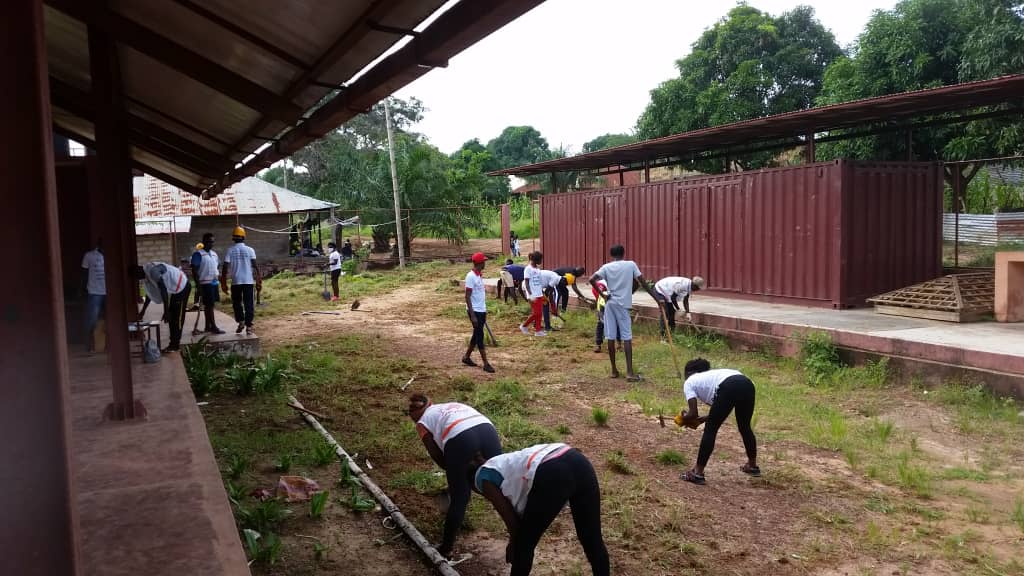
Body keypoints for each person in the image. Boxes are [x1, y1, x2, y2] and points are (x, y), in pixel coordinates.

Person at [472, 443, 609, 576]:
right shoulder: (501, 462)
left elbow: (512, 522)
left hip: (554, 470)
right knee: (592, 540)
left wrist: (514, 542)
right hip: (577, 460)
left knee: (524, 545)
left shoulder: (482, 478)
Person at [407, 394, 502, 558]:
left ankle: (446, 548)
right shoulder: (449, 405)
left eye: (412, 412)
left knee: (460, 497)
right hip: (487, 430)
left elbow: (437, 456)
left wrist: (456, 472)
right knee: (501, 483)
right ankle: (523, 521)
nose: (412, 416)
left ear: (419, 411)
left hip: (460, 437)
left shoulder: (422, 423)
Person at [677, 358, 760, 485]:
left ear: (689, 372)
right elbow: (720, 411)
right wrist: (703, 419)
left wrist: (682, 418)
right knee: (745, 427)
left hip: (729, 386)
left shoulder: (689, 381)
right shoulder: (713, 376)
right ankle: (752, 466)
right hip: (747, 384)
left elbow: (693, 413)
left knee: (711, 429)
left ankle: (697, 473)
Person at [589, 244, 658, 381]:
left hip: (609, 303)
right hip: (622, 305)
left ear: (611, 254)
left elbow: (592, 279)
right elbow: (642, 282)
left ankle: (614, 370)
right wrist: (657, 299)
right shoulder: (630, 265)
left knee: (610, 336)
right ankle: (629, 373)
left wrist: (602, 295)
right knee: (626, 337)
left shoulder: (606, 267)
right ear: (623, 253)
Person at [136, 262, 192, 352]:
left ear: (138, 271)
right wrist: (143, 312)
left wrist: (166, 311)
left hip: (182, 286)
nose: (137, 280)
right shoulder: (146, 275)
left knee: (177, 317)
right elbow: (149, 295)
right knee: (172, 317)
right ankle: (173, 343)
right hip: (175, 290)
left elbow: (163, 290)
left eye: (136, 277)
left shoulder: (153, 272)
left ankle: (175, 345)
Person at [221, 226, 260, 335]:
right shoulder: (250, 250)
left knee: (237, 303)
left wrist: (223, 282)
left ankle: (241, 321)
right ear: (244, 237)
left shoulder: (230, 250)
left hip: (236, 282)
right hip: (248, 281)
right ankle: (249, 326)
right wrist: (258, 279)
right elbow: (255, 266)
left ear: (233, 238)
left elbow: (225, 267)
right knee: (249, 304)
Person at [464, 252, 495, 373]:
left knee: (476, 335)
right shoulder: (470, 276)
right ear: (478, 263)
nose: (485, 263)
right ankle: (486, 363)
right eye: (483, 261)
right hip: (475, 311)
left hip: (481, 309)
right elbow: (467, 296)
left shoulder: (478, 276)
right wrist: (472, 315)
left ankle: (466, 357)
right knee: (480, 336)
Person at [191, 233, 224, 334]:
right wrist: (198, 285)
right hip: (205, 283)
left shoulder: (214, 254)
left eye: (212, 242)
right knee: (209, 305)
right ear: (204, 242)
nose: (211, 244)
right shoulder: (198, 254)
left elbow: (216, 267)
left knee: (210, 305)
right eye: (209, 241)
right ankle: (213, 326)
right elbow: (194, 270)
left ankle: (207, 326)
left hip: (214, 283)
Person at [81, 239, 106, 352]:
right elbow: (84, 273)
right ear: (99, 245)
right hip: (94, 292)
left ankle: (104, 344)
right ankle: (89, 344)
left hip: (108, 292)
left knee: (110, 318)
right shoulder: (89, 256)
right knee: (92, 318)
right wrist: (82, 289)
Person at [519, 252, 546, 337]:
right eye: (540, 259)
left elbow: (539, 282)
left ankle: (538, 331)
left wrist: (542, 293)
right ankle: (524, 326)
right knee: (536, 313)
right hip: (533, 295)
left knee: (539, 313)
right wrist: (530, 295)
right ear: (535, 259)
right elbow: (526, 283)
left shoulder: (538, 270)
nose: (541, 261)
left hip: (539, 294)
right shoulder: (528, 269)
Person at [591, 279, 607, 354]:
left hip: (609, 302)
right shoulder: (600, 286)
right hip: (602, 304)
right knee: (601, 323)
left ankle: (619, 343)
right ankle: (598, 344)